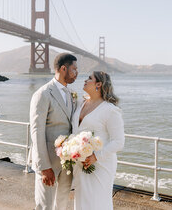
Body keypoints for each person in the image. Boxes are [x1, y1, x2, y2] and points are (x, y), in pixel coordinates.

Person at [29, 53, 78, 210]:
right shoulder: (43, 94)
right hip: (48, 163)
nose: (77, 73)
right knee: (45, 206)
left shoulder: (71, 95)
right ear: (64, 69)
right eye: (74, 69)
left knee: (62, 204)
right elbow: (36, 132)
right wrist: (44, 166)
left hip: (67, 163)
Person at [72, 71, 125, 210]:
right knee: (81, 203)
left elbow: (118, 141)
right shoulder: (79, 104)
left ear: (99, 84)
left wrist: (95, 156)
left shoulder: (110, 110)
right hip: (80, 163)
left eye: (89, 78)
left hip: (100, 165)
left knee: (98, 202)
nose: (85, 80)